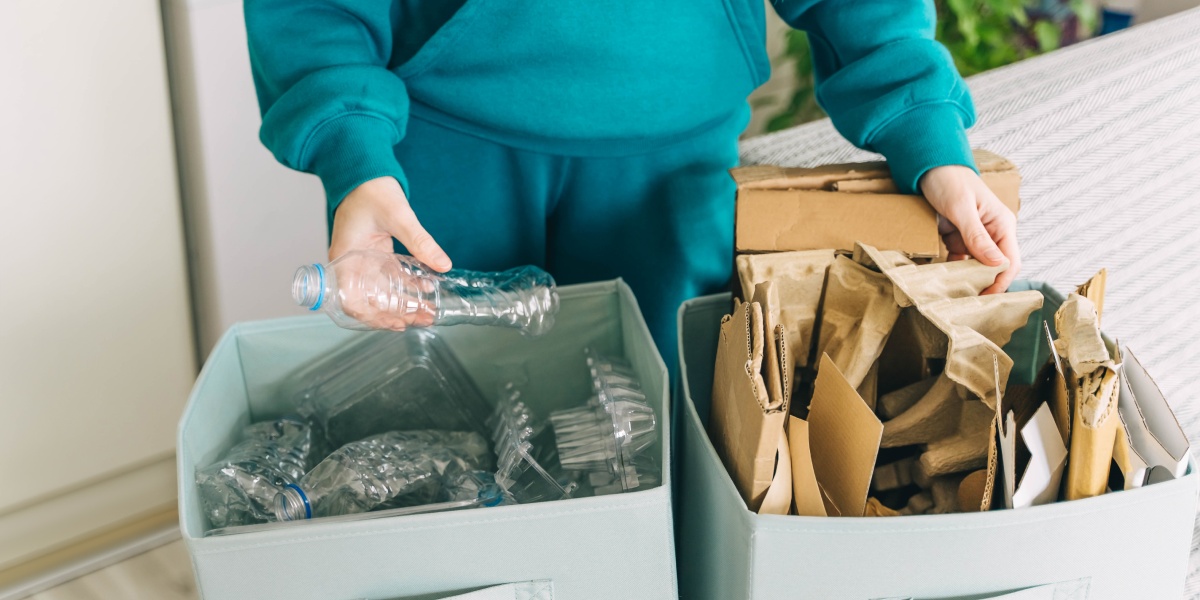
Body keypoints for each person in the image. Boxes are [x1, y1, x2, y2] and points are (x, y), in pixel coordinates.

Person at [245, 0, 1020, 366]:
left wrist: (930, 138)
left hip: (674, 165)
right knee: (449, 463)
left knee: (674, 460)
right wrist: (355, 157)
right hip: (438, 159)